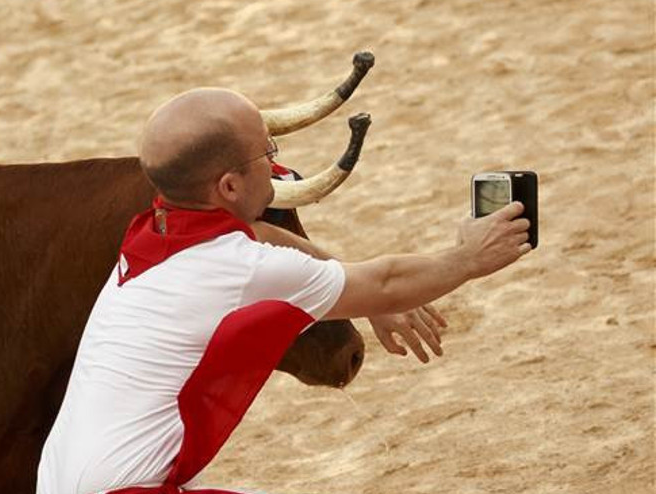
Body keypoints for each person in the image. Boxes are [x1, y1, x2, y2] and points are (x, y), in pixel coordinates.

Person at [36, 88, 531, 494]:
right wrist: (468, 259)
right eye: (267, 154)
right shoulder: (237, 267)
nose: (275, 165)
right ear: (230, 187)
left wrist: (364, 291)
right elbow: (385, 281)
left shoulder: (152, 231)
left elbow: (261, 236)